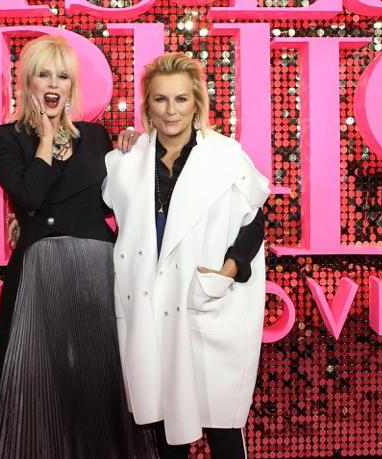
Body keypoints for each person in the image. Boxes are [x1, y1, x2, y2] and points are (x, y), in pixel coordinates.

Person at [0, 35, 156, 459]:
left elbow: (116, 200)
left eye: (63, 76)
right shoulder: (1, 138)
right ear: (27, 84)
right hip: (40, 268)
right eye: (43, 74)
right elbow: (30, 195)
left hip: (98, 265)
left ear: (72, 86)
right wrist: (46, 138)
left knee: (101, 375)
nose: (53, 84)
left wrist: (134, 150)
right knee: (37, 376)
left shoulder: (97, 136)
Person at [103, 53, 270, 459]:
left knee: (221, 421)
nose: (171, 110)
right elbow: (96, 214)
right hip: (149, 303)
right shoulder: (127, 161)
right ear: (147, 105)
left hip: (206, 299)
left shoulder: (226, 155)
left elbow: (255, 222)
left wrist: (226, 272)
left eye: (180, 99)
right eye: (160, 100)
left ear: (196, 102)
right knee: (164, 424)